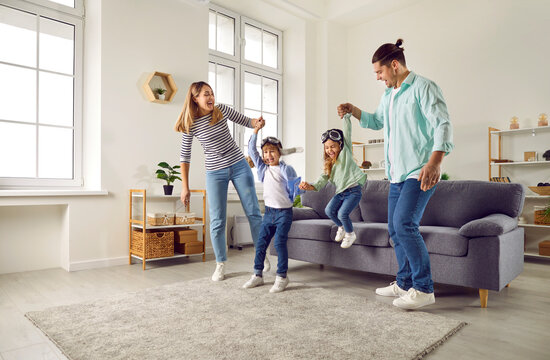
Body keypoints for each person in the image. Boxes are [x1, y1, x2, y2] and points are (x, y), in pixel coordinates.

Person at [337, 39, 454, 309]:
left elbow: (443, 124)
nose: (378, 78)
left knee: (404, 225)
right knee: (394, 229)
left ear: (394, 64)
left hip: (420, 171)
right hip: (397, 175)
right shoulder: (389, 95)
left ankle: (424, 289)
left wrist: (435, 162)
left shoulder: (424, 87)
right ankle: (403, 283)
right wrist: (353, 110)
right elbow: (378, 121)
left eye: (379, 73)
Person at [174, 81, 270, 282]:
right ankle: (220, 264)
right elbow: (185, 157)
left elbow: (248, 121)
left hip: (239, 166)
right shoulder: (190, 124)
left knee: (253, 211)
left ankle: (262, 256)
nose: (211, 98)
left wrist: (257, 123)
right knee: (217, 219)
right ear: (195, 98)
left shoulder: (222, 110)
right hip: (215, 172)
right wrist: (185, 187)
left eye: (212, 93)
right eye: (205, 94)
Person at [242, 120, 303, 293]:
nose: (269, 155)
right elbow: (251, 150)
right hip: (269, 213)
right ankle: (257, 275)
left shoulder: (286, 169)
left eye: (272, 151)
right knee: (261, 244)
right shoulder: (263, 169)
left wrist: (299, 191)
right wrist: (255, 131)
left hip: (284, 213)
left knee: (280, 243)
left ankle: (282, 277)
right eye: (266, 152)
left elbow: (295, 187)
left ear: (279, 153)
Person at [299, 113, 367, 249]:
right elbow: (321, 181)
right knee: (329, 210)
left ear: (340, 145)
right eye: (327, 147)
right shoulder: (329, 164)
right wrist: (310, 186)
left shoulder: (345, 153)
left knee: (342, 213)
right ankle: (341, 227)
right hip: (341, 192)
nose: (330, 150)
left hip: (353, 191)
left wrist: (346, 118)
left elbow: (347, 133)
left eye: (333, 146)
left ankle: (350, 233)